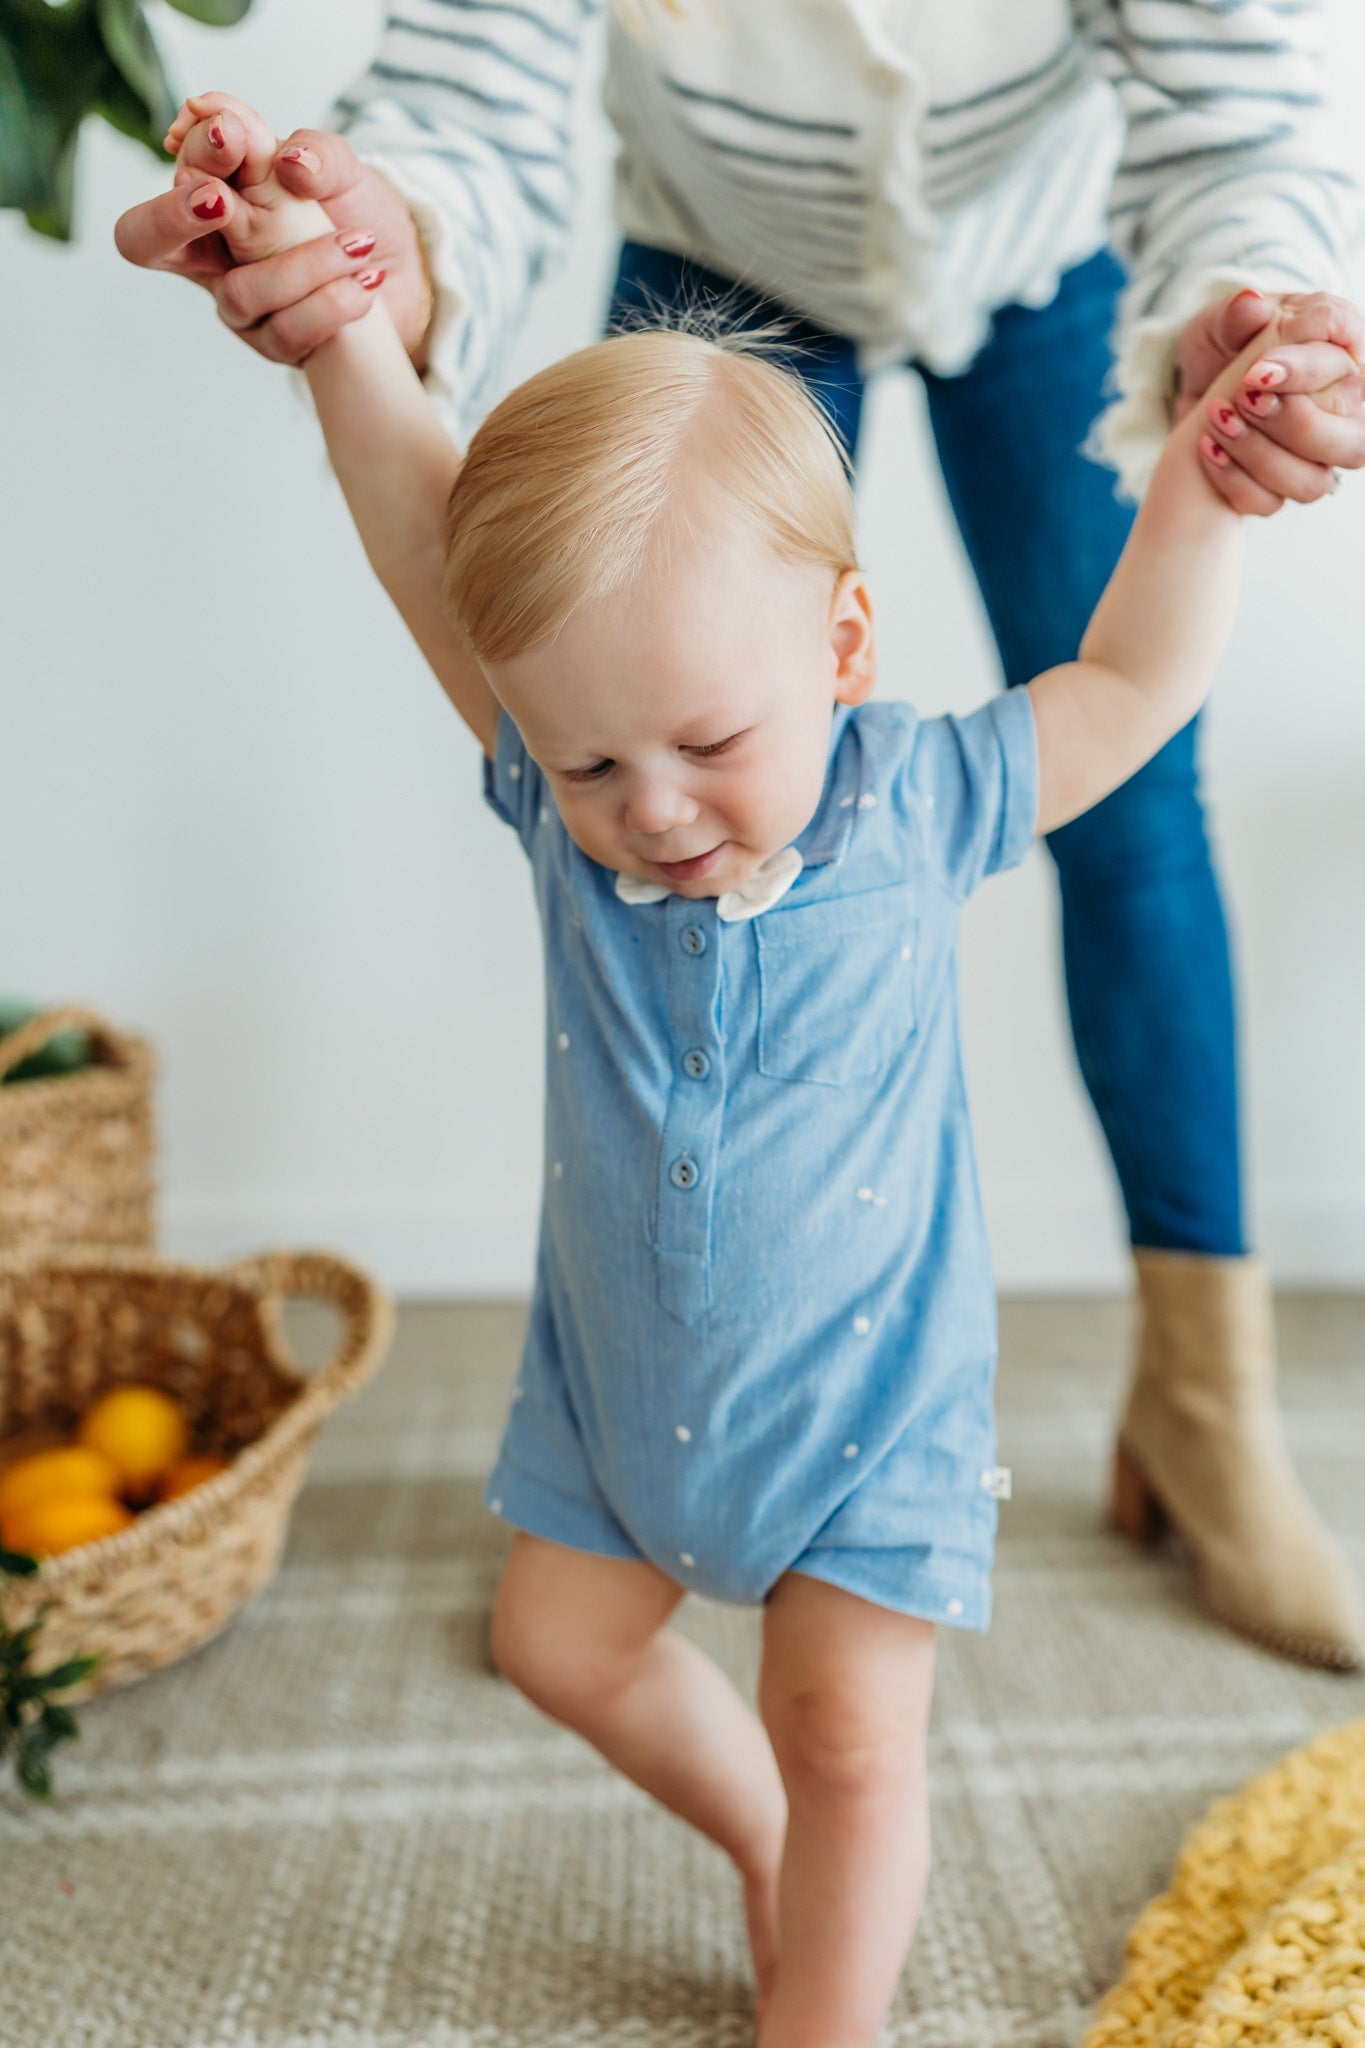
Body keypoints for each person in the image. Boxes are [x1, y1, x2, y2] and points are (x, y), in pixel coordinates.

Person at [130, 87, 1348, 2048]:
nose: (653, 810)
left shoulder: (923, 797)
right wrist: (350, 329)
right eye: (594, 760)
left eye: (701, 739)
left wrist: (1199, 490)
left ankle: (827, 2011)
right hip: (617, 1400)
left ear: (844, 643)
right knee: (552, 1647)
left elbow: (1120, 685)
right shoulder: (557, 797)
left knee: (850, 1738)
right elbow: (418, 537)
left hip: (867, 1418)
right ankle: (767, 1849)